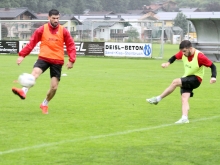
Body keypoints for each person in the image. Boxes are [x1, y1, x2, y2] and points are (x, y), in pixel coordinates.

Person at [12, 9, 76, 114]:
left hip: (57, 60)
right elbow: (31, 43)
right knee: (35, 74)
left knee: (54, 87)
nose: (56, 20)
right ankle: (23, 91)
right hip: (44, 58)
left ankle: (44, 104)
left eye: (57, 18)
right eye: (54, 18)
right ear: (49, 18)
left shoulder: (63, 31)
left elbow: (71, 45)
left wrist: (71, 60)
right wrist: (22, 55)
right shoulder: (41, 29)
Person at [146, 40, 217, 124]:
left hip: (196, 79)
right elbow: (174, 57)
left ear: (190, 49)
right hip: (187, 77)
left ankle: (158, 99)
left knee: (175, 82)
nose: (183, 53)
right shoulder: (183, 53)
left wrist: (213, 77)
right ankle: (184, 118)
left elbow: (213, 66)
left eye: (184, 51)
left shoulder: (199, 56)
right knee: (184, 99)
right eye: (182, 51)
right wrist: (167, 63)